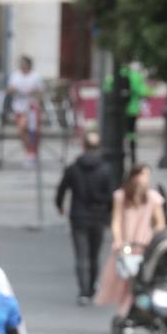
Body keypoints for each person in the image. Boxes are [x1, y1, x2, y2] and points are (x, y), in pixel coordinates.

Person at [96, 164, 166, 318]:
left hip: (144, 244)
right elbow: (116, 220)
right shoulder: (121, 196)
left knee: (140, 281)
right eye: (142, 175)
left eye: (147, 175)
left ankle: (130, 311)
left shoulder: (153, 198)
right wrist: (118, 239)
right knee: (125, 280)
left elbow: (160, 223)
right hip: (127, 243)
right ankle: (126, 310)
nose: (144, 179)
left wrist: (154, 239)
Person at [55, 130, 113, 305]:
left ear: (84, 146)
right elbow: (111, 196)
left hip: (78, 215)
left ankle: (83, 291)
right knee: (94, 254)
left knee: (81, 255)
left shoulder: (73, 168)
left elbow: (61, 189)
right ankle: (92, 287)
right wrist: (109, 214)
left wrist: (60, 205)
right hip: (98, 216)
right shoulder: (105, 169)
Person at [6, 55, 44, 163]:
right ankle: (29, 151)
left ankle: (31, 152)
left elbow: (41, 91)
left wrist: (32, 91)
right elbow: (9, 90)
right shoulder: (15, 75)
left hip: (31, 107)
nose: (22, 66)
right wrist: (13, 90)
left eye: (24, 64)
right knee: (22, 131)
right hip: (18, 107)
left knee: (29, 129)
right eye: (21, 64)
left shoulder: (35, 76)